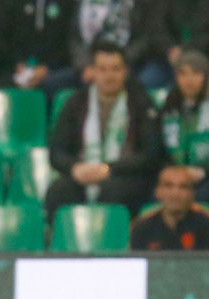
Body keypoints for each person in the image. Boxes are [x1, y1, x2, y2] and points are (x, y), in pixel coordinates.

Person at [44, 41, 161, 221]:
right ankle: (60, 243)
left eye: (115, 69)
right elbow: (57, 152)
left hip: (126, 175)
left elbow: (151, 154)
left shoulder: (141, 102)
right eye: (103, 69)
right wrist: (74, 168)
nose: (109, 76)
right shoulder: (76, 103)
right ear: (93, 71)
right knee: (59, 191)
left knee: (113, 191)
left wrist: (109, 169)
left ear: (125, 72)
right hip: (83, 171)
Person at [159, 50, 209, 209]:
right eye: (183, 74)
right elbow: (160, 150)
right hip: (177, 176)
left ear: (206, 76)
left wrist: (204, 171)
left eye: (196, 73)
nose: (189, 80)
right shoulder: (170, 105)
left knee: (203, 197)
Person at [131, 165, 209, 250]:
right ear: (158, 192)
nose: (175, 193)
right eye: (168, 186)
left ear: (192, 193)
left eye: (183, 187)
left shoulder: (206, 221)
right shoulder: (142, 226)